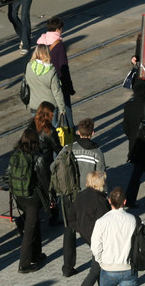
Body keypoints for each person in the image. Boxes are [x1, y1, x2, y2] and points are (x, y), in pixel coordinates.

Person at [59, 119, 108, 278]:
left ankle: (67, 267)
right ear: (93, 133)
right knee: (94, 231)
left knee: (69, 231)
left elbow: (55, 165)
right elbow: (101, 176)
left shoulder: (68, 148)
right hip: (88, 198)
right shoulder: (97, 152)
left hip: (69, 195)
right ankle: (97, 263)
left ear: (78, 132)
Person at [11, 128, 49, 274]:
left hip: (20, 197)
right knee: (29, 230)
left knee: (34, 223)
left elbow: (8, 175)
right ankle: (24, 264)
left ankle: (37, 253)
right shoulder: (39, 157)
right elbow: (45, 181)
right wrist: (49, 199)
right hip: (33, 198)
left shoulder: (16, 154)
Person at [90, 187, 140, 286]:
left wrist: (102, 261)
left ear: (109, 201)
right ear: (125, 202)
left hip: (108, 269)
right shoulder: (134, 220)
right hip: (128, 268)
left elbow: (95, 247)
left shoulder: (101, 222)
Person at [122, 79, 145, 207]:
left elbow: (125, 128)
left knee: (138, 173)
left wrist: (133, 136)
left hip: (134, 145)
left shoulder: (128, 106)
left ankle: (130, 199)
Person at [71, 171, 112, 286]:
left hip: (86, 234)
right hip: (97, 237)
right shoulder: (100, 200)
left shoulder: (80, 195)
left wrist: (79, 228)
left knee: (99, 266)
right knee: (95, 269)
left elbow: (71, 217)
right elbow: (105, 220)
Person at [38, 17, 75, 115]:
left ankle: (53, 129)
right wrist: (69, 87)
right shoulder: (59, 46)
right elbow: (64, 67)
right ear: (58, 29)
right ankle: (69, 129)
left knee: (50, 111)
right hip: (58, 81)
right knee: (66, 109)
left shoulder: (40, 43)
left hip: (44, 81)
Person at [24, 45, 65, 123]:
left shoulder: (29, 66)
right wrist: (62, 108)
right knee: (52, 130)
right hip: (50, 106)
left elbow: (27, 82)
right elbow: (57, 91)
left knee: (37, 129)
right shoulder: (51, 71)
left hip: (34, 105)